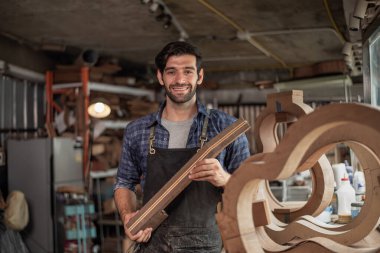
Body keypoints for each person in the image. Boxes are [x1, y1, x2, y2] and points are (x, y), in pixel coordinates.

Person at [114, 41, 250, 252]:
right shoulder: (137, 130)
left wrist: (225, 179)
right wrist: (128, 216)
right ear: (160, 77)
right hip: (153, 243)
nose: (180, 80)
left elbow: (251, 189)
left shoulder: (226, 128)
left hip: (206, 246)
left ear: (200, 76)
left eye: (188, 71)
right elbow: (124, 182)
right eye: (171, 72)